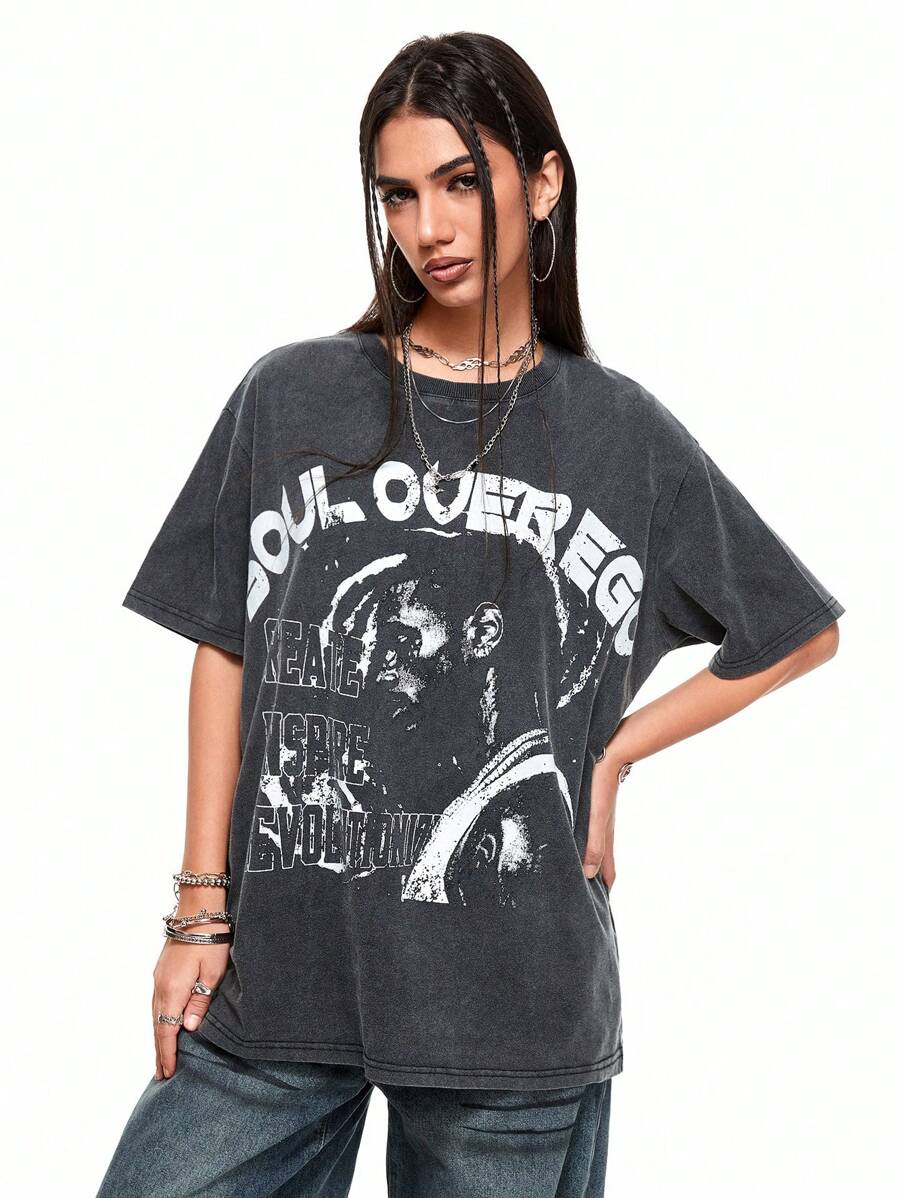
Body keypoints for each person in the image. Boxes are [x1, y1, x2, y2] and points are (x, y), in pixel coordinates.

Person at [96, 30, 845, 1198]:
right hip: (279, 985)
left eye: (459, 182)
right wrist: (199, 913)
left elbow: (797, 629)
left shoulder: (617, 432)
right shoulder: (294, 393)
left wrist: (612, 754)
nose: (429, 228)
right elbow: (224, 643)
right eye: (397, 194)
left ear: (542, 184)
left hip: (514, 1003)